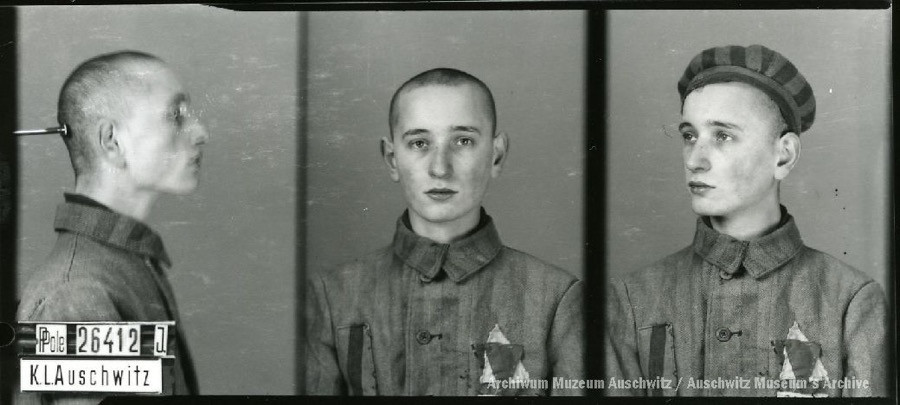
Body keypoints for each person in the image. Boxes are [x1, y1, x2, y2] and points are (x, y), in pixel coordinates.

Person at [605, 44, 888, 397]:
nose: (695, 159)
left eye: (722, 136)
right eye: (689, 136)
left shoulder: (850, 302)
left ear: (784, 156)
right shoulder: (631, 298)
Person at [305, 68, 584, 396]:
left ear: (496, 154)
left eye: (463, 141)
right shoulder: (331, 296)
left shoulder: (556, 299)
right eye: (419, 143)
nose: (440, 167)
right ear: (392, 159)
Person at [16, 51, 208, 402]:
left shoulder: (126, 263)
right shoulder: (77, 290)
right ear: (112, 141)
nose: (200, 133)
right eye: (176, 116)